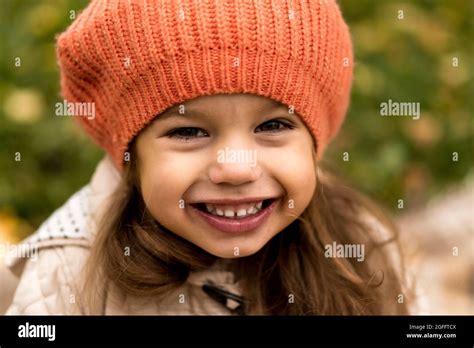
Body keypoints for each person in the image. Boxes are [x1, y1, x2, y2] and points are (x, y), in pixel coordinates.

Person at [3, 0, 409, 315]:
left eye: (272, 126)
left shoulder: (359, 244)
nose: (235, 168)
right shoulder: (67, 277)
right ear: (130, 158)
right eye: (188, 131)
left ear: (313, 140)